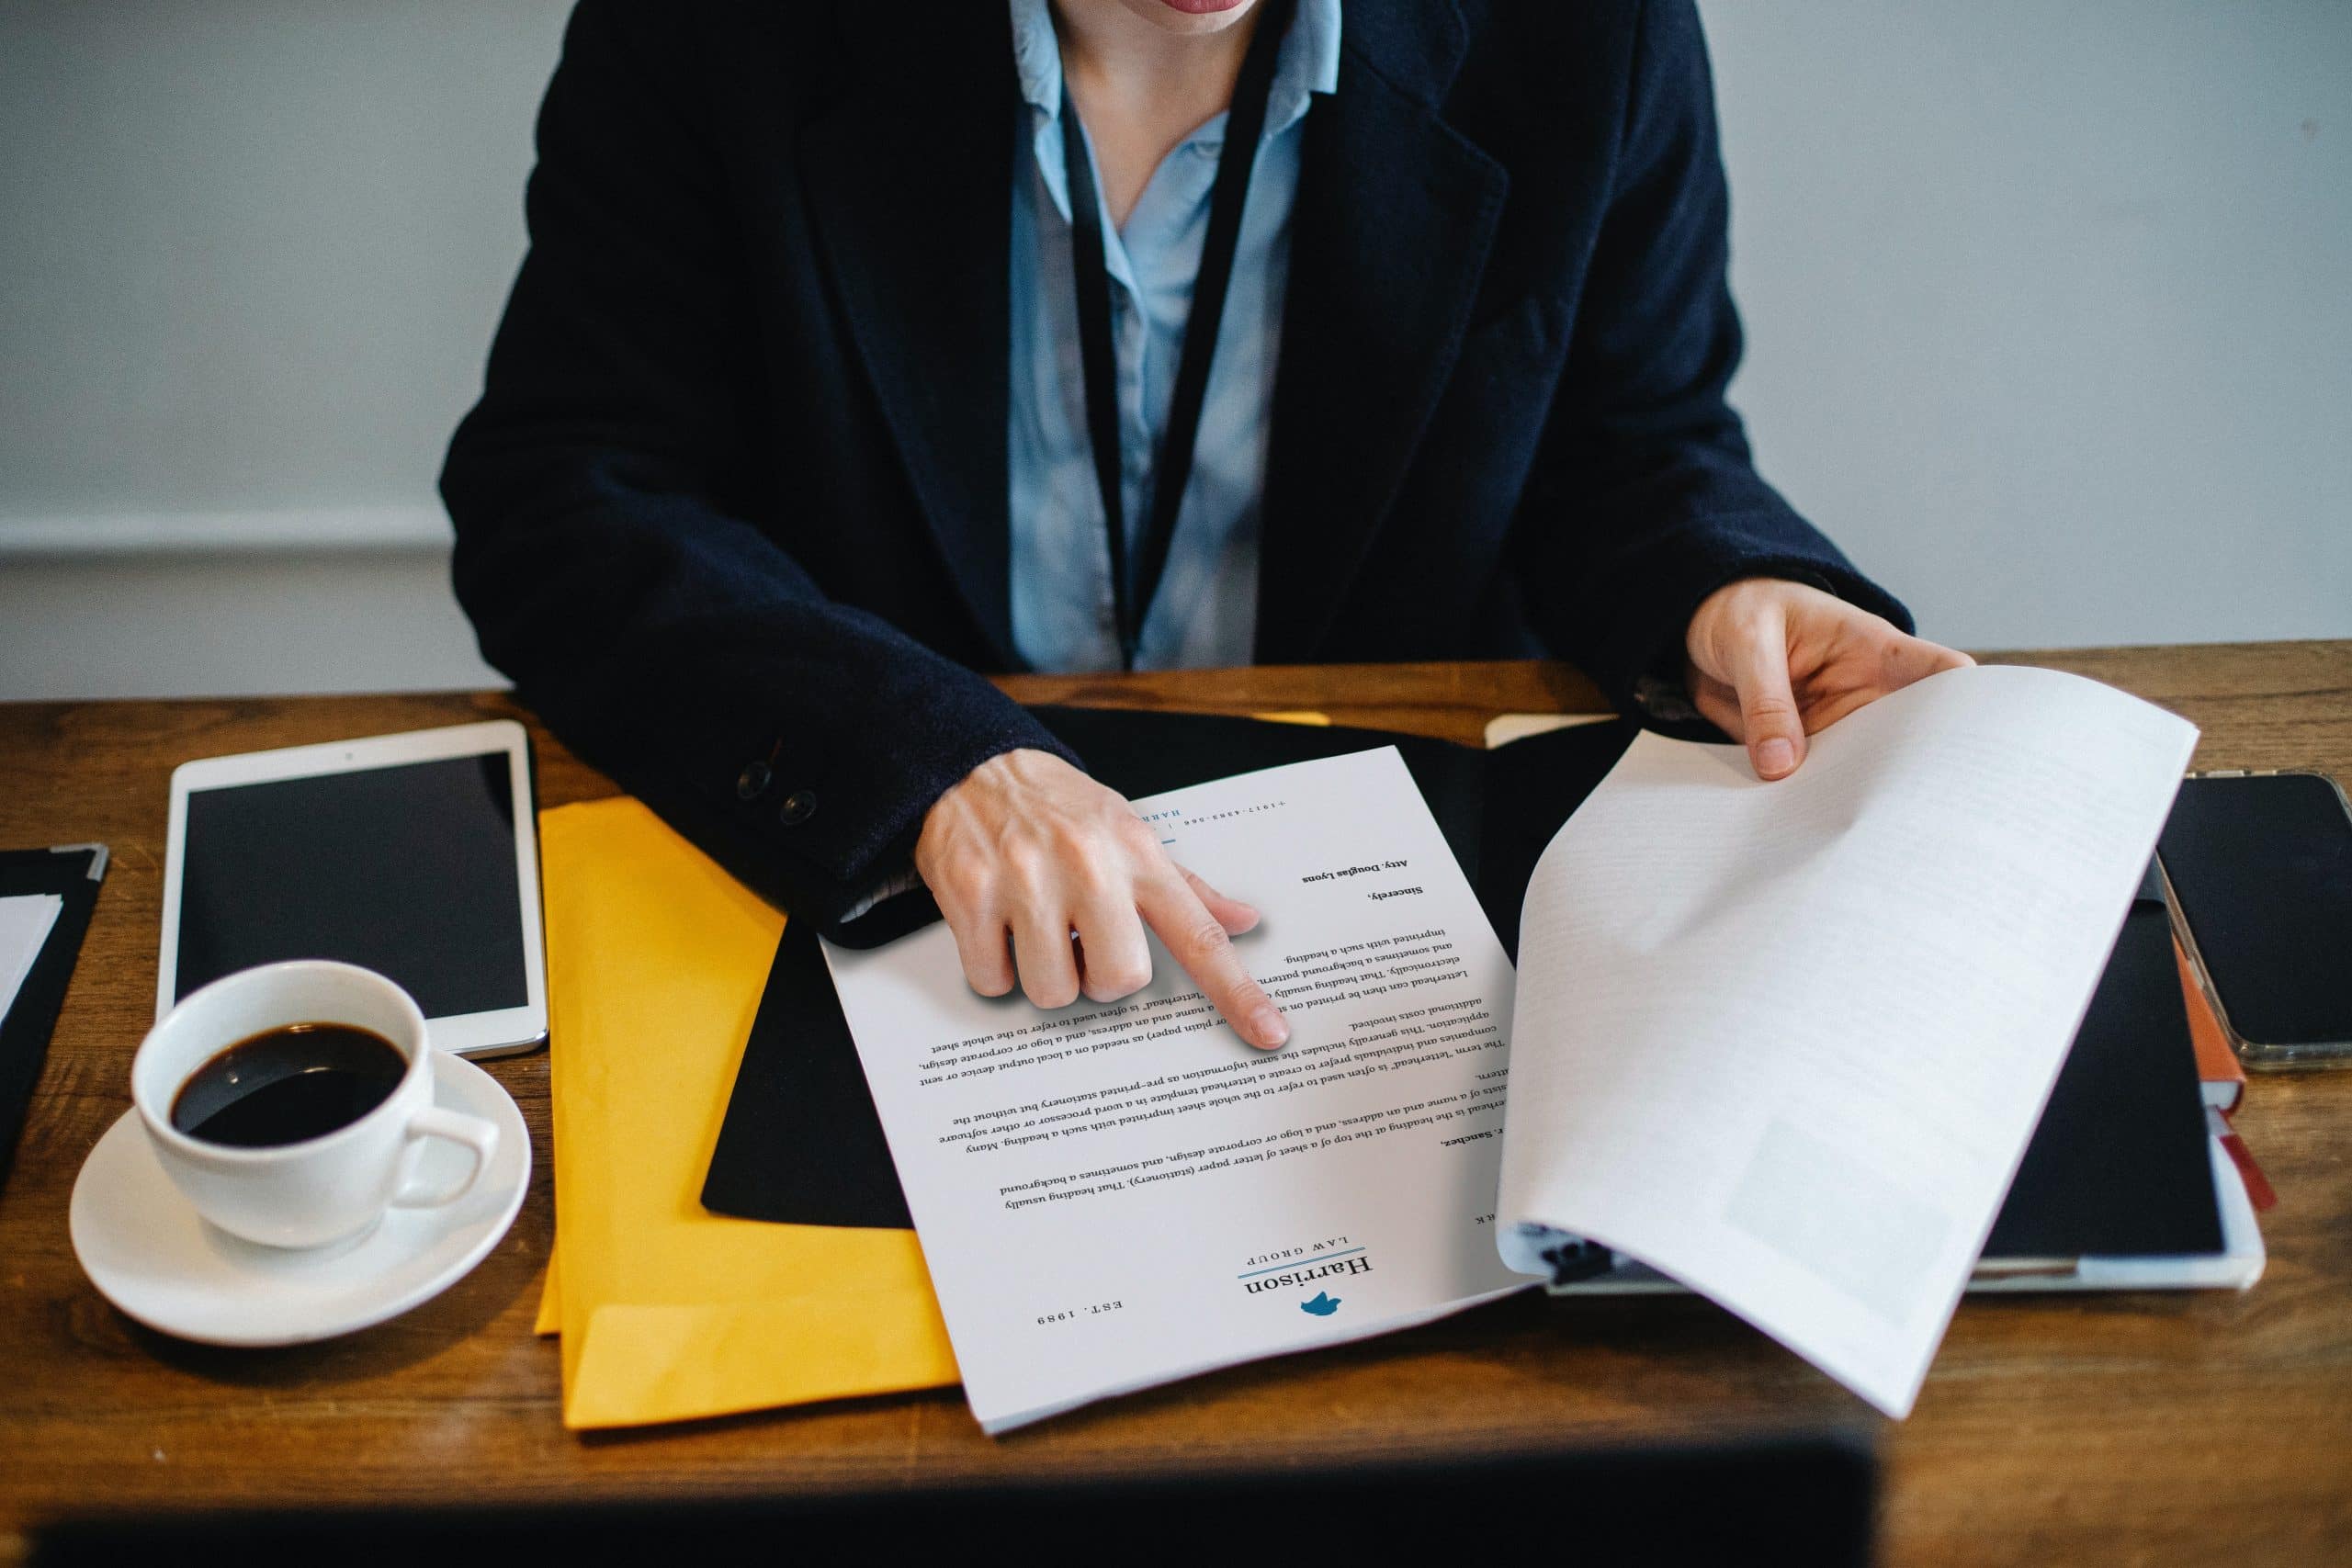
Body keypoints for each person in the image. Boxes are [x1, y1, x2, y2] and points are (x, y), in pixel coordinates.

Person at [442, 0, 1970, 1055]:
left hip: (1395, 902)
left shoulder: (1592, 30)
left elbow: (1634, 443)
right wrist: (923, 756)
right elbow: (567, 490)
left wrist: (1725, 581)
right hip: (907, 882)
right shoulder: (714, 31)